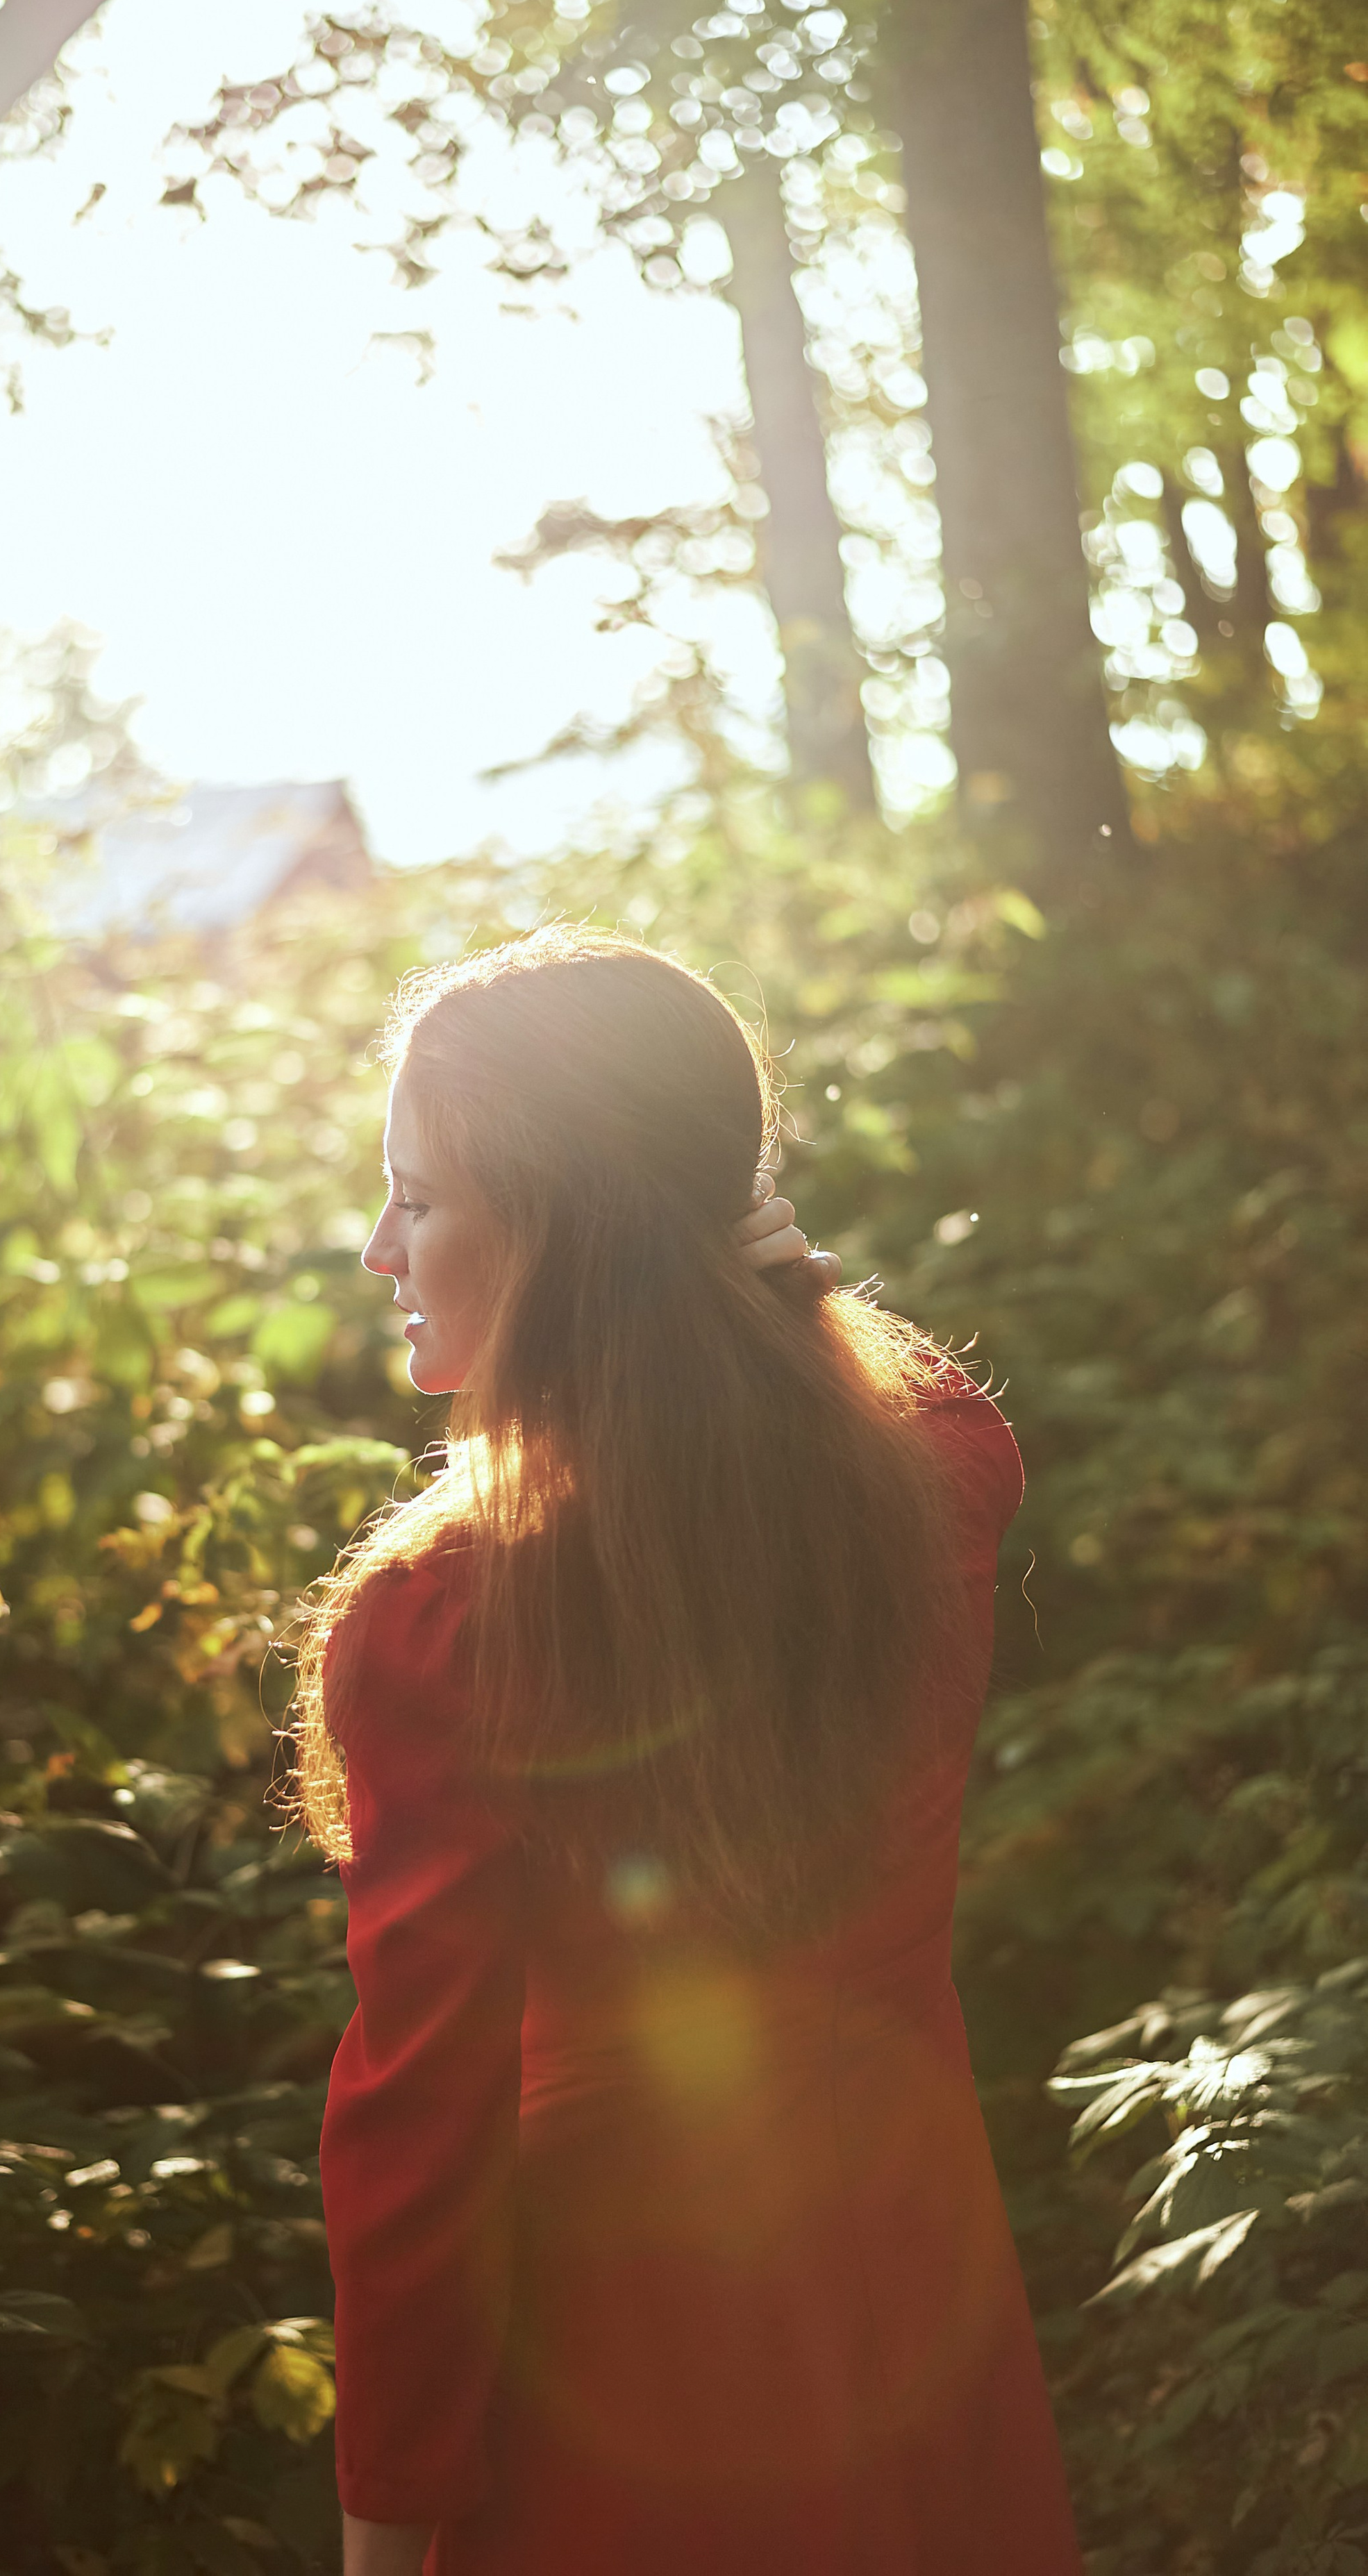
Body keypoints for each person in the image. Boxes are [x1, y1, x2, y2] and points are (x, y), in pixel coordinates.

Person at [290, 931, 1083, 2576]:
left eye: (418, 1198)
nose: (377, 1248)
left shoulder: (443, 1623)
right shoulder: (934, 1477)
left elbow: (415, 2147)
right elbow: (902, 1394)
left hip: (618, 2379)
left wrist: (381, 2548)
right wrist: (772, 1285)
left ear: (563, 1231)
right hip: (901, 2306)